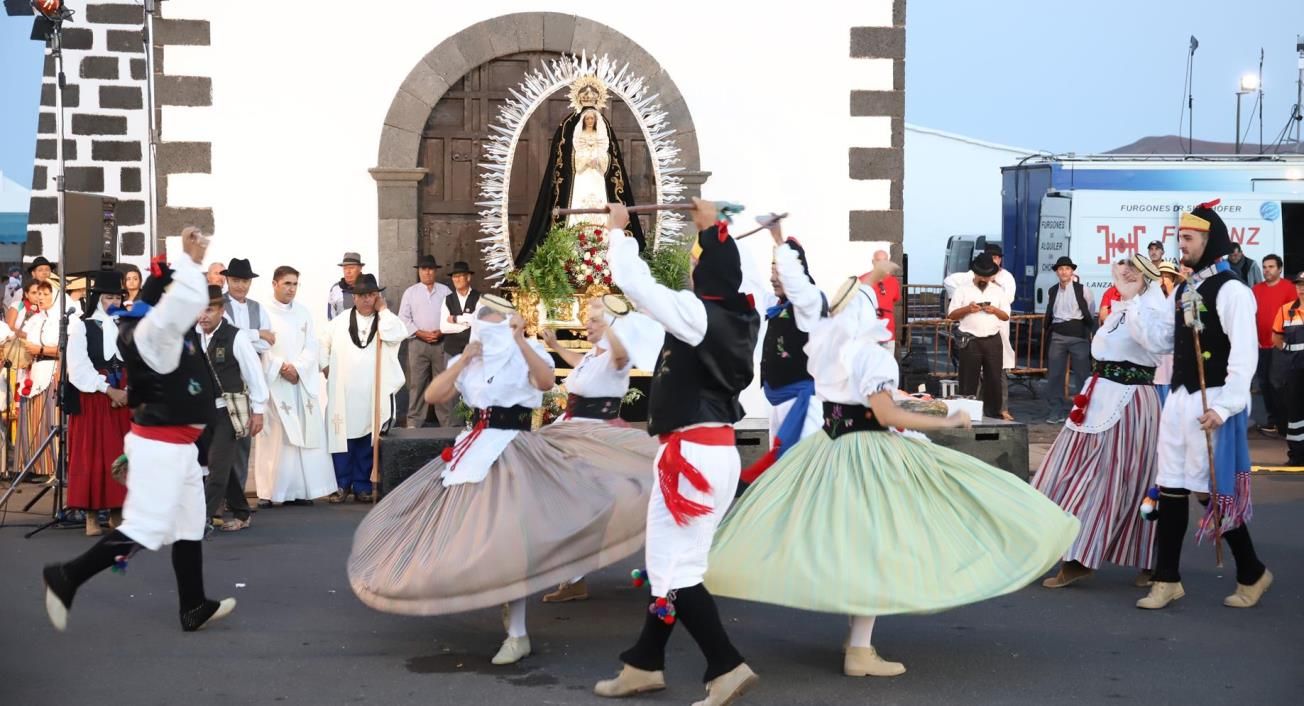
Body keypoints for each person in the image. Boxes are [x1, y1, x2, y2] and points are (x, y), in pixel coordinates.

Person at [706, 270, 1078, 679]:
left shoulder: (827, 347)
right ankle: (860, 650)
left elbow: (859, 400)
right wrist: (948, 421)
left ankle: (857, 641)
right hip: (867, 450)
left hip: (830, 446)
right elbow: (883, 413)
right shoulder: (869, 354)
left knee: (856, 543)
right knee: (878, 545)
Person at [349, 295, 654, 667]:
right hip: (474, 449)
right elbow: (433, 394)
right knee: (474, 534)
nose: (490, 329)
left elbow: (543, 382)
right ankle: (483, 593)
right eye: (486, 322)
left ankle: (519, 632)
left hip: (516, 448)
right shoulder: (472, 364)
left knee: (511, 536)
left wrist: (522, 341)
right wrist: (465, 358)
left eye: (496, 322)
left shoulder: (526, 353)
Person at [591, 199, 760, 705]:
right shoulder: (739, 315)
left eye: (693, 263)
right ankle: (644, 662)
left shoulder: (697, 313)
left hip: (692, 458)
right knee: (670, 563)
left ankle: (726, 665)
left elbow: (639, 286)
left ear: (702, 270)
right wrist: (712, 225)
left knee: (676, 571)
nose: (688, 270)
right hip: (707, 453)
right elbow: (649, 310)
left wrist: (619, 233)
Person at [42, 227, 236, 634]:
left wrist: (162, 273)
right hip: (164, 449)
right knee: (144, 528)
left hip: (173, 448)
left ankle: (193, 604)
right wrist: (190, 260)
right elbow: (187, 299)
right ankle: (66, 577)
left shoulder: (141, 326)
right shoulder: (157, 335)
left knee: (187, 523)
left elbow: (156, 300)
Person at [1138, 200, 1272, 611]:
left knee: (1209, 491)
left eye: (1189, 238)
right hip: (1179, 399)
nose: (1182, 245)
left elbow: (1245, 354)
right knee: (1172, 486)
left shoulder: (1232, 289)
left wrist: (1228, 405)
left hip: (1212, 401)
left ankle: (1252, 572)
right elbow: (1162, 343)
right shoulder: (1184, 287)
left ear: (1209, 239)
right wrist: (1136, 301)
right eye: (1180, 237)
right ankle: (1167, 580)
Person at [1034, 255, 1170, 588]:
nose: (1125, 278)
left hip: (1130, 401)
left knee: (1118, 479)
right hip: (1097, 397)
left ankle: (1144, 558)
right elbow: (1101, 348)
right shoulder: (1121, 308)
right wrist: (1126, 298)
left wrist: (1134, 299)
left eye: (1133, 275)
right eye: (1124, 274)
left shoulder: (1156, 310)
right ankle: (1063, 549)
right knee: (1067, 469)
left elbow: (1154, 344)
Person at [536, 294, 663, 603]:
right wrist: (555, 346)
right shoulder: (594, 356)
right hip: (572, 431)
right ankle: (573, 575)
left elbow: (619, 358)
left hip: (597, 436)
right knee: (566, 502)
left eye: (593, 320)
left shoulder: (617, 356)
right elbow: (581, 364)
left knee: (590, 504)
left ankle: (581, 570)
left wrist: (611, 327)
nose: (586, 325)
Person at [517, 76, 644, 266]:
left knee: (601, 212)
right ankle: (572, 258)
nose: (591, 120)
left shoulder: (603, 131)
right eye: (588, 118)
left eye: (593, 118)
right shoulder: (572, 131)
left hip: (598, 179)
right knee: (577, 212)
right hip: (580, 180)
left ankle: (602, 257)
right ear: (583, 120)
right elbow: (567, 161)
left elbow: (611, 158)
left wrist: (600, 159)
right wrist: (583, 160)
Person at [740, 215, 826, 484]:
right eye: (772, 268)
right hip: (778, 403)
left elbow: (798, 285)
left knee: (803, 473)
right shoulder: (775, 305)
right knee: (782, 474)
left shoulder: (809, 303)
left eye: (779, 269)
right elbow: (748, 281)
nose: (773, 276)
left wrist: (778, 239)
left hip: (804, 403)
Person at [250, 266, 338, 506]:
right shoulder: (262, 312)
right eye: (287, 283)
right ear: (274, 284)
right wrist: (280, 366)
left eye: (295, 284)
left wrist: (297, 368)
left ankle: (300, 491)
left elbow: (312, 345)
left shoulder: (303, 312)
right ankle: (270, 492)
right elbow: (259, 345)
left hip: (298, 381)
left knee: (301, 437)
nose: (291, 289)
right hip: (274, 382)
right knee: (275, 438)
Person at [321, 273, 406, 502]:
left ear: (377, 296)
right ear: (354, 298)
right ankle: (341, 484)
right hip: (344, 391)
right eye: (362, 295)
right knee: (342, 438)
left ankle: (362, 485)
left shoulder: (384, 320)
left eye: (371, 295)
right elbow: (321, 345)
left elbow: (399, 333)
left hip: (372, 390)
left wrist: (384, 309)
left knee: (368, 438)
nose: (367, 299)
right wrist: (325, 367)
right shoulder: (338, 323)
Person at [65, 270, 131, 536]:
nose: (113, 301)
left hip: (123, 396)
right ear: (98, 298)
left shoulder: (128, 326)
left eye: (117, 296)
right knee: (92, 455)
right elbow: (78, 368)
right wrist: (107, 390)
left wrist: (126, 390)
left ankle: (117, 512)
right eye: (108, 297)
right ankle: (91, 515)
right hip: (94, 398)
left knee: (120, 454)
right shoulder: (82, 326)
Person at [198, 285, 268, 533]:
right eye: (199, 310)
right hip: (201, 413)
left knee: (217, 467)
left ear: (221, 310)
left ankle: (199, 520)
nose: (203, 316)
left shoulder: (235, 337)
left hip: (228, 411)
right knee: (217, 465)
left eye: (209, 309)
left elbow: (254, 374)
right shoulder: (194, 336)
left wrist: (258, 410)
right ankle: (241, 512)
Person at [219, 258, 274, 507]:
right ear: (228, 280)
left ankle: (237, 497)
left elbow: (268, 341)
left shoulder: (257, 307)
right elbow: (227, 336)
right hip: (224, 378)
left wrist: (250, 337)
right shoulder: (219, 305)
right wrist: (255, 334)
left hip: (248, 380)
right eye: (236, 280)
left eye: (245, 281)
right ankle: (218, 498)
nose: (241, 286)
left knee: (243, 442)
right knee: (221, 442)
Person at [944, 243, 1016, 419]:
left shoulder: (998, 291)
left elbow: (1006, 316)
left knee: (994, 379)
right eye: (981, 275)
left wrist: (994, 311)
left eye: (987, 275)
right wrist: (968, 309)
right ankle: (968, 414)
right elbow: (952, 315)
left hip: (992, 339)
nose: (984, 278)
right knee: (968, 379)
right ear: (975, 274)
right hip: (971, 340)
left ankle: (993, 413)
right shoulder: (963, 289)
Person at [398, 254, 452, 427]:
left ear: (435, 271)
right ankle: (414, 422)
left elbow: (453, 316)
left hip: (441, 343)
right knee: (417, 383)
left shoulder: (445, 291)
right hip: (417, 344)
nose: (427, 272)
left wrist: (442, 331)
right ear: (419, 271)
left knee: (443, 382)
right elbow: (403, 319)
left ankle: (448, 422)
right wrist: (420, 333)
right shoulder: (410, 292)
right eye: (424, 269)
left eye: (430, 269)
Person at [1042, 256, 1096, 424]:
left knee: (1082, 375)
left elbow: (1090, 310)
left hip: (1078, 334)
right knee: (1055, 375)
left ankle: (1082, 411)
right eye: (1061, 269)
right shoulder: (1052, 290)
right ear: (1057, 272)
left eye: (1067, 268)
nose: (1064, 271)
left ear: (1072, 271)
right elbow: (1050, 311)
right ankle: (1055, 411)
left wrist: (1088, 332)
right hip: (1058, 334)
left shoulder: (1082, 290)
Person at [17, 279, 60, 478]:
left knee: (48, 419)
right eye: (38, 294)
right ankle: (32, 466)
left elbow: (64, 348)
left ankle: (51, 466)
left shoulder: (62, 319)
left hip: (51, 369)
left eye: (45, 294)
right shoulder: (35, 318)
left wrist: (41, 350)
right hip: (33, 369)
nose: (41, 298)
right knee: (30, 417)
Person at [1251, 254, 1294, 437]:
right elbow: (1250, 315)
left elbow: (1294, 316)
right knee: (1265, 384)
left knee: (1279, 385)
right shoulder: (1255, 289)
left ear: (1280, 269)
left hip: (1280, 347)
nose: (1267, 270)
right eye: (1265, 266)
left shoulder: (1289, 288)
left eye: (1271, 266)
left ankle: (1285, 424)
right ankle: (1273, 422)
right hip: (1261, 346)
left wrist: (1284, 340)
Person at [438, 261, 482, 422]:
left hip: (473, 352)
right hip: (452, 351)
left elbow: (479, 321)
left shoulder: (479, 298)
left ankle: (476, 424)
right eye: (454, 277)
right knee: (453, 389)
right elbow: (443, 327)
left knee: (475, 386)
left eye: (460, 276)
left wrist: (457, 319)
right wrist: (466, 325)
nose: (456, 279)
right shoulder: (447, 299)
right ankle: (454, 427)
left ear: (468, 277)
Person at [1271, 271, 1304, 467]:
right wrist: (1290, 351)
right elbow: (1276, 338)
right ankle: (1297, 454)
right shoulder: (1286, 311)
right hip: (1294, 370)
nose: (1301, 287)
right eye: (1298, 284)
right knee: (1295, 414)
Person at [1153, 261, 1184, 404]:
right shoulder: (1151, 298)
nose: (1163, 280)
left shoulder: (1182, 295)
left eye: (1167, 276)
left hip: (1176, 352)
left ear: (1173, 279)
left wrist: (1171, 293)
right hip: (1157, 354)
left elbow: (1194, 318)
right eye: (1161, 276)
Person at [860, 249, 901, 356]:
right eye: (879, 261)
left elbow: (895, 298)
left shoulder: (893, 281)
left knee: (887, 368)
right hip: (869, 333)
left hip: (888, 332)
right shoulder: (862, 280)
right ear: (873, 262)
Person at [327, 252, 369, 321]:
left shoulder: (370, 287)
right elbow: (331, 317)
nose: (348, 271)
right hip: (341, 330)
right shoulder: (335, 289)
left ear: (360, 268)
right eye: (345, 268)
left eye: (351, 268)